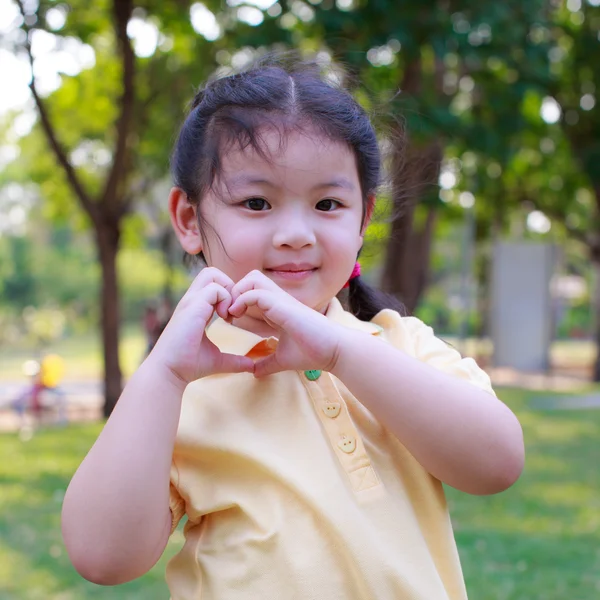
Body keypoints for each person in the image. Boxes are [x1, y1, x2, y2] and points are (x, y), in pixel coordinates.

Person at [61, 58, 524, 599]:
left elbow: (496, 465)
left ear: (362, 219)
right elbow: (102, 557)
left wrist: (341, 352)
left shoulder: (398, 346)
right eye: (256, 203)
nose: (296, 233)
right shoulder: (177, 390)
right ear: (189, 219)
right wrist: (163, 376)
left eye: (328, 204)